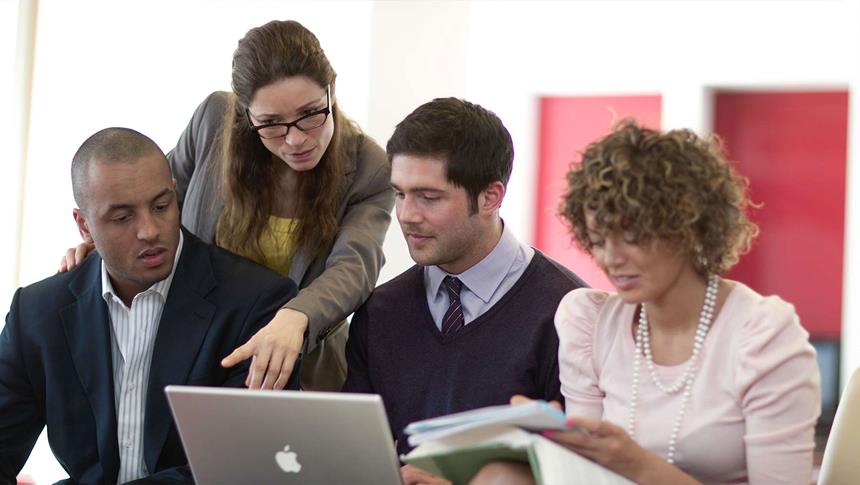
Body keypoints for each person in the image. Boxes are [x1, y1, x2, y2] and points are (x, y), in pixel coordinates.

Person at [60, 20, 394, 391]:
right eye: (271, 124)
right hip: (194, 347)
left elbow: (354, 267)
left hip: (295, 364)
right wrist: (108, 245)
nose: (296, 139)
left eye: (311, 113)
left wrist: (297, 316)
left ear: (332, 89)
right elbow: (153, 201)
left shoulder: (368, 166)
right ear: (246, 114)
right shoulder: (211, 122)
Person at [494, 121, 820, 485]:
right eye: (599, 240)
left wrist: (636, 465)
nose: (611, 258)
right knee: (498, 476)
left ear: (689, 228)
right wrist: (552, 445)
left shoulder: (761, 336)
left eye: (632, 237)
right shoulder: (590, 322)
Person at [0, 128, 299, 483]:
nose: (150, 230)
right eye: (123, 217)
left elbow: (242, 465)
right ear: (84, 226)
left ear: (176, 193)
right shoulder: (37, 312)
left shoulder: (256, 302)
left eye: (161, 206)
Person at [342, 98, 588, 467]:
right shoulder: (380, 311)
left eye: (429, 197)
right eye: (399, 194)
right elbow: (355, 455)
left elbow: (579, 469)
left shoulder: (567, 311)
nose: (407, 216)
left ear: (491, 197)